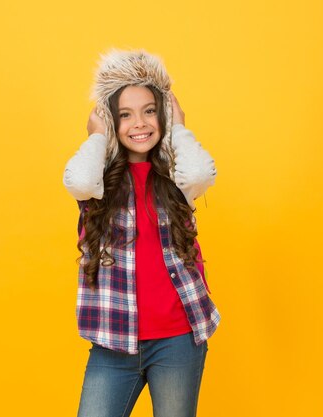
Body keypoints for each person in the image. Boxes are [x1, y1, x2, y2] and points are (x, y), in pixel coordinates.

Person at [63, 49, 221, 417]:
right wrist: (97, 134)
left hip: (179, 339)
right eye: (125, 114)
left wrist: (179, 126)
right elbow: (80, 179)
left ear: (162, 115)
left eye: (150, 110)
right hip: (114, 342)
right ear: (110, 121)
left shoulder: (178, 176)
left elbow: (200, 175)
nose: (140, 123)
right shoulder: (97, 180)